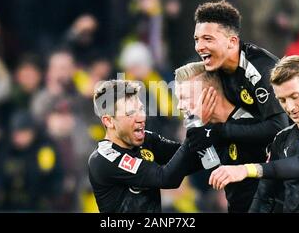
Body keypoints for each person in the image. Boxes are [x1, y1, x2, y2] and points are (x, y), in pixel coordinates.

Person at [208, 55, 299, 213]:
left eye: (294, 96)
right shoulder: (282, 138)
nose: (290, 107)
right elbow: (264, 196)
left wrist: (246, 169)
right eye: (282, 100)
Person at [88, 79, 213, 213]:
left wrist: (216, 132)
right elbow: (166, 179)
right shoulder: (104, 159)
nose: (141, 117)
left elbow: (193, 160)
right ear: (109, 121)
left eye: (141, 109)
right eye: (130, 113)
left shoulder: (147, 140)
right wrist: (194, 125)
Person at [192, 0, 289, 147]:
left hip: (287, 151)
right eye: (196, 40)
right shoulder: (213, 66)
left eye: (207, 39)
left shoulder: (261, 68)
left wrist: (220, 132)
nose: (199, 47)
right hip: (245, 151)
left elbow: (279, 127)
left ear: (232, 42)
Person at [175, 61, 268, 212]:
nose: (179, 106)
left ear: (210, 93)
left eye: (184, 97)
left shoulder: (252, 126)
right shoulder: (209, 130)